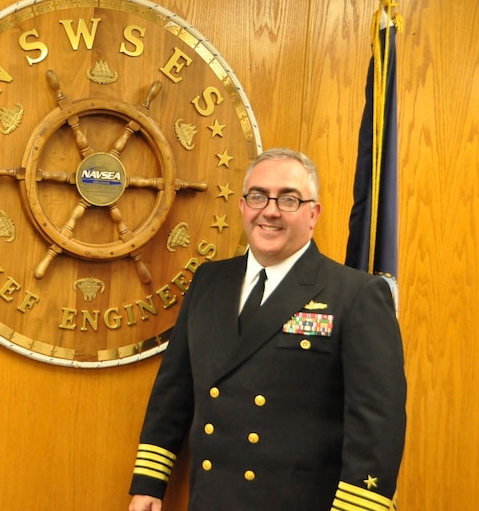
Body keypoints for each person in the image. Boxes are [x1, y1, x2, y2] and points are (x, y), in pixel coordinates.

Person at [128, 148, 406, 510]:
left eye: (288, 199)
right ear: (243, 206)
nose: (270, 210)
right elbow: (174, 391)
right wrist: (150, 481)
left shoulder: (356, 295)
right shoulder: (210, 282)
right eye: (258, 196)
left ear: (313, 213)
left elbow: (377, 423)